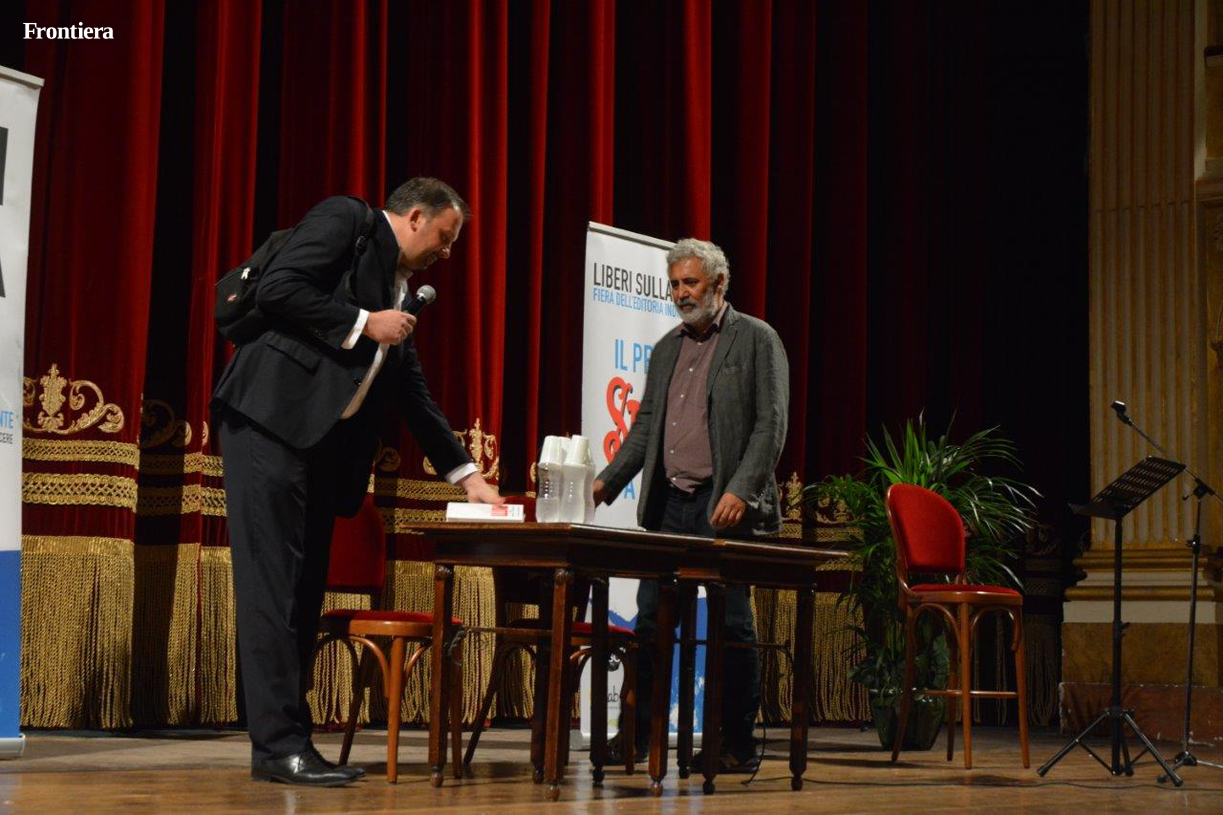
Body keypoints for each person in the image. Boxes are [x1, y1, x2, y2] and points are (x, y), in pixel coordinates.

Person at [212, 178, 502, 787]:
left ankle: (290, 740)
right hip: (268, 422)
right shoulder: (347, 218)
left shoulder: (398, 287)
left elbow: (412, 393)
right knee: (273, 589)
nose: (448, 252)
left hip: (319, 449)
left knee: (301, 594)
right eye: (445, 237)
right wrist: (365, 323)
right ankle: (278, 747)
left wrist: (468, 476)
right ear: (416, 216)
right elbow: (280, 286)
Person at [592, 237, 789, 772]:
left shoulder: (757, 339)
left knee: (731, 625)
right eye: (675, 284)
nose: (680, 293)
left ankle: (735, 744)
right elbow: (645, 431)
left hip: (722, 506)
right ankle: (638, 736)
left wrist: (740, 490)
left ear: (719, 284)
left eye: (690, 283)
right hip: (669, 507)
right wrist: (604, 483)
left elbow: (770, 426)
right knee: (651, 623)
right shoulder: (666, 349)